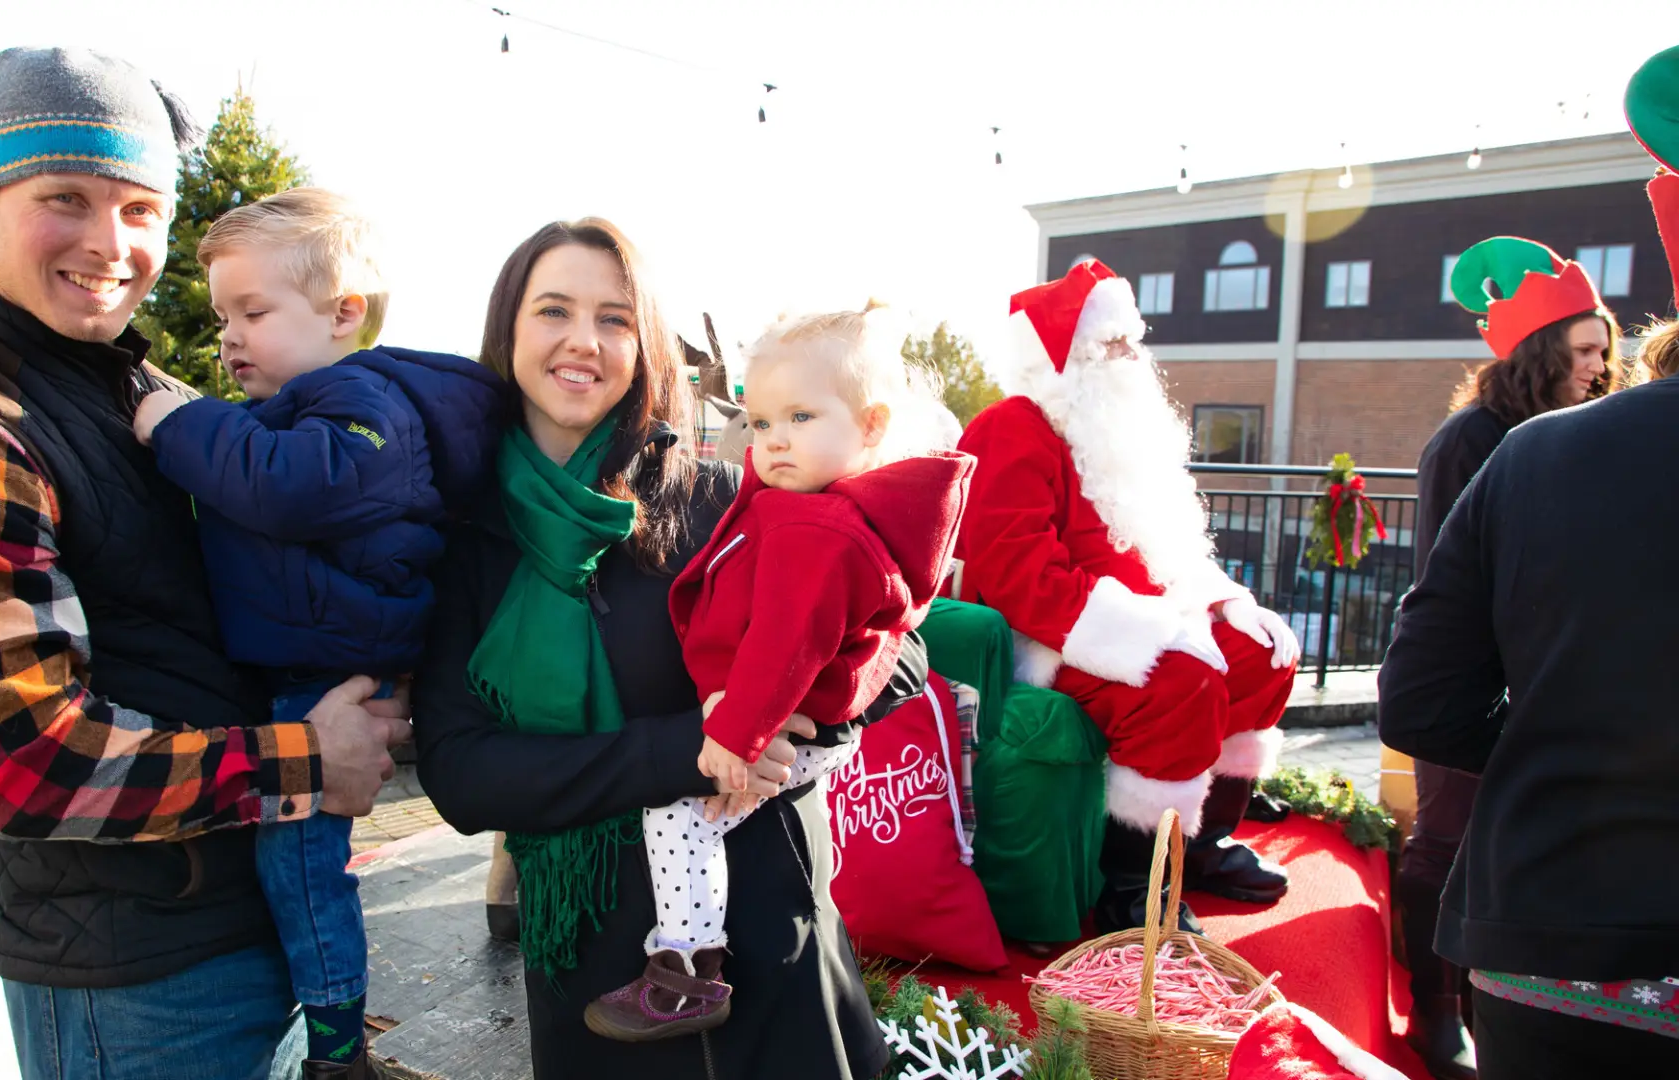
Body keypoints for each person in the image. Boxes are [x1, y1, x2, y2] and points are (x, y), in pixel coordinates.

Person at [0, 49, 408, 1080]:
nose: (111, 243)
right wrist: (307, 759)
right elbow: (32, 766)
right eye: (67, 197)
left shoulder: (136, 391)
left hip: (246, 935)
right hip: (136, 990)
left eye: (142, 209)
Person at [412, 218, 929, 1080]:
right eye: (553, 311)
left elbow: (901, 644)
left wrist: (791, 718)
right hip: (595, 963)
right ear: (509, 333)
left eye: (615, 318)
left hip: (773, 938)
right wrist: (689, 749)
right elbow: (462, 772)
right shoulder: (469, 536)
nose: (584, 341)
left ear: (645, 342)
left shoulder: (729, 499)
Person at [130, 188, 504, 1078]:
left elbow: (293, 485)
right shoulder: (308, 402)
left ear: (343, 314)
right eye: (224, 313)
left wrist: (174, 420)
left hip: (330, 676)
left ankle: (338, 1048)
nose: (229, 336)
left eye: (253, 311)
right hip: (305, 662)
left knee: (303, 865)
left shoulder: (361, 401)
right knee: (291, 864)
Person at [581, 305, 973, 1041]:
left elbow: (784, 643)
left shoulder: (818, 530)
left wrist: (736, 733)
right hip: (794, 723)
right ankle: (688, 962)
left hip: (776, 724)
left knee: (681, 817)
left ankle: (686, 971)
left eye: (799, 416)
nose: (774, 440)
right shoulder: (814, 507)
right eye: (760, 423)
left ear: (871, 424)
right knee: (701, 821)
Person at [954, 260, 1301, 935]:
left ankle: (1198, 841)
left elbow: (1169, 552)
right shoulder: (1013, 428)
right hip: (1052, 639)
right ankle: (1133, 881)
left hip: (1141, 617)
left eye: (1129, 341)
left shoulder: (1127, 437)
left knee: (1262, 652)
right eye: (1108, 344)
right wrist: (1148, 634)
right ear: (1061, 358)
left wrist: (1224, 602)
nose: (1127, 356)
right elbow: (1017, 574)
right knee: (1180, 681)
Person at [1392, 236, 1618, 1080]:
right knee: (1445, 846)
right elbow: (1449, 588)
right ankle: (1434, 1009)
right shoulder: (1467, 441)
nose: (1601, 366)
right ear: (1540, 351)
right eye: (1587, 350)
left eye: (1606, 351)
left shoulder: (1588, 432)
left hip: (1557, 675)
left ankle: (1497, 1002)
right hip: (1473, 682)